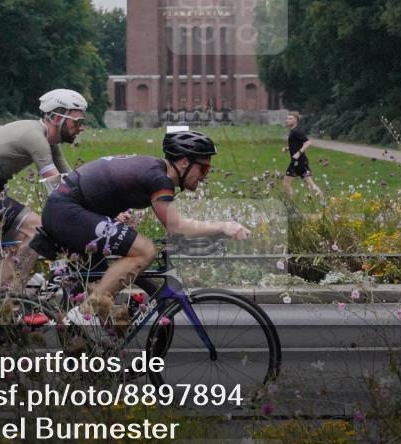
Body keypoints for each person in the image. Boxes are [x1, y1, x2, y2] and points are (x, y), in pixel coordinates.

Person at [38, 130, 250, 333]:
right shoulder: (158, 178)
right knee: (145, 250)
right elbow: (176, 227)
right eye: (203, 169)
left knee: (100, 285)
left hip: (69, 208)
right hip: (66, 211)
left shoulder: (155, 170)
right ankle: (86, 312)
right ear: (184, 162)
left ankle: (93, 356)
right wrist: (224, 226)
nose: (205, 176)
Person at [0, 89, 88, 289]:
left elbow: (70, 180)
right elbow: (55, 186)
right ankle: (7, 297)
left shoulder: (47, 140)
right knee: (37, 230)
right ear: (57, 118)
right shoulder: (36, 138)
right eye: (77, 122)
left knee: (25, 242)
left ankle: (3, 296)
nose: (81, 128)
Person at [282, 111, 324, 202]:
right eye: (287, 118)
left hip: (297, 162)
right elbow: (298, 144)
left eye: (290, 119)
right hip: (302, 162)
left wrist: (298, 153)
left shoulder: (296, 131)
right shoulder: (294, 131)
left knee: (286, 184)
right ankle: (323, 201)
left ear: (296, 120)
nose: (287, 120)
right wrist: (288, 148)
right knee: (310, 184)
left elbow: (308, 142)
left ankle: (291, 205)